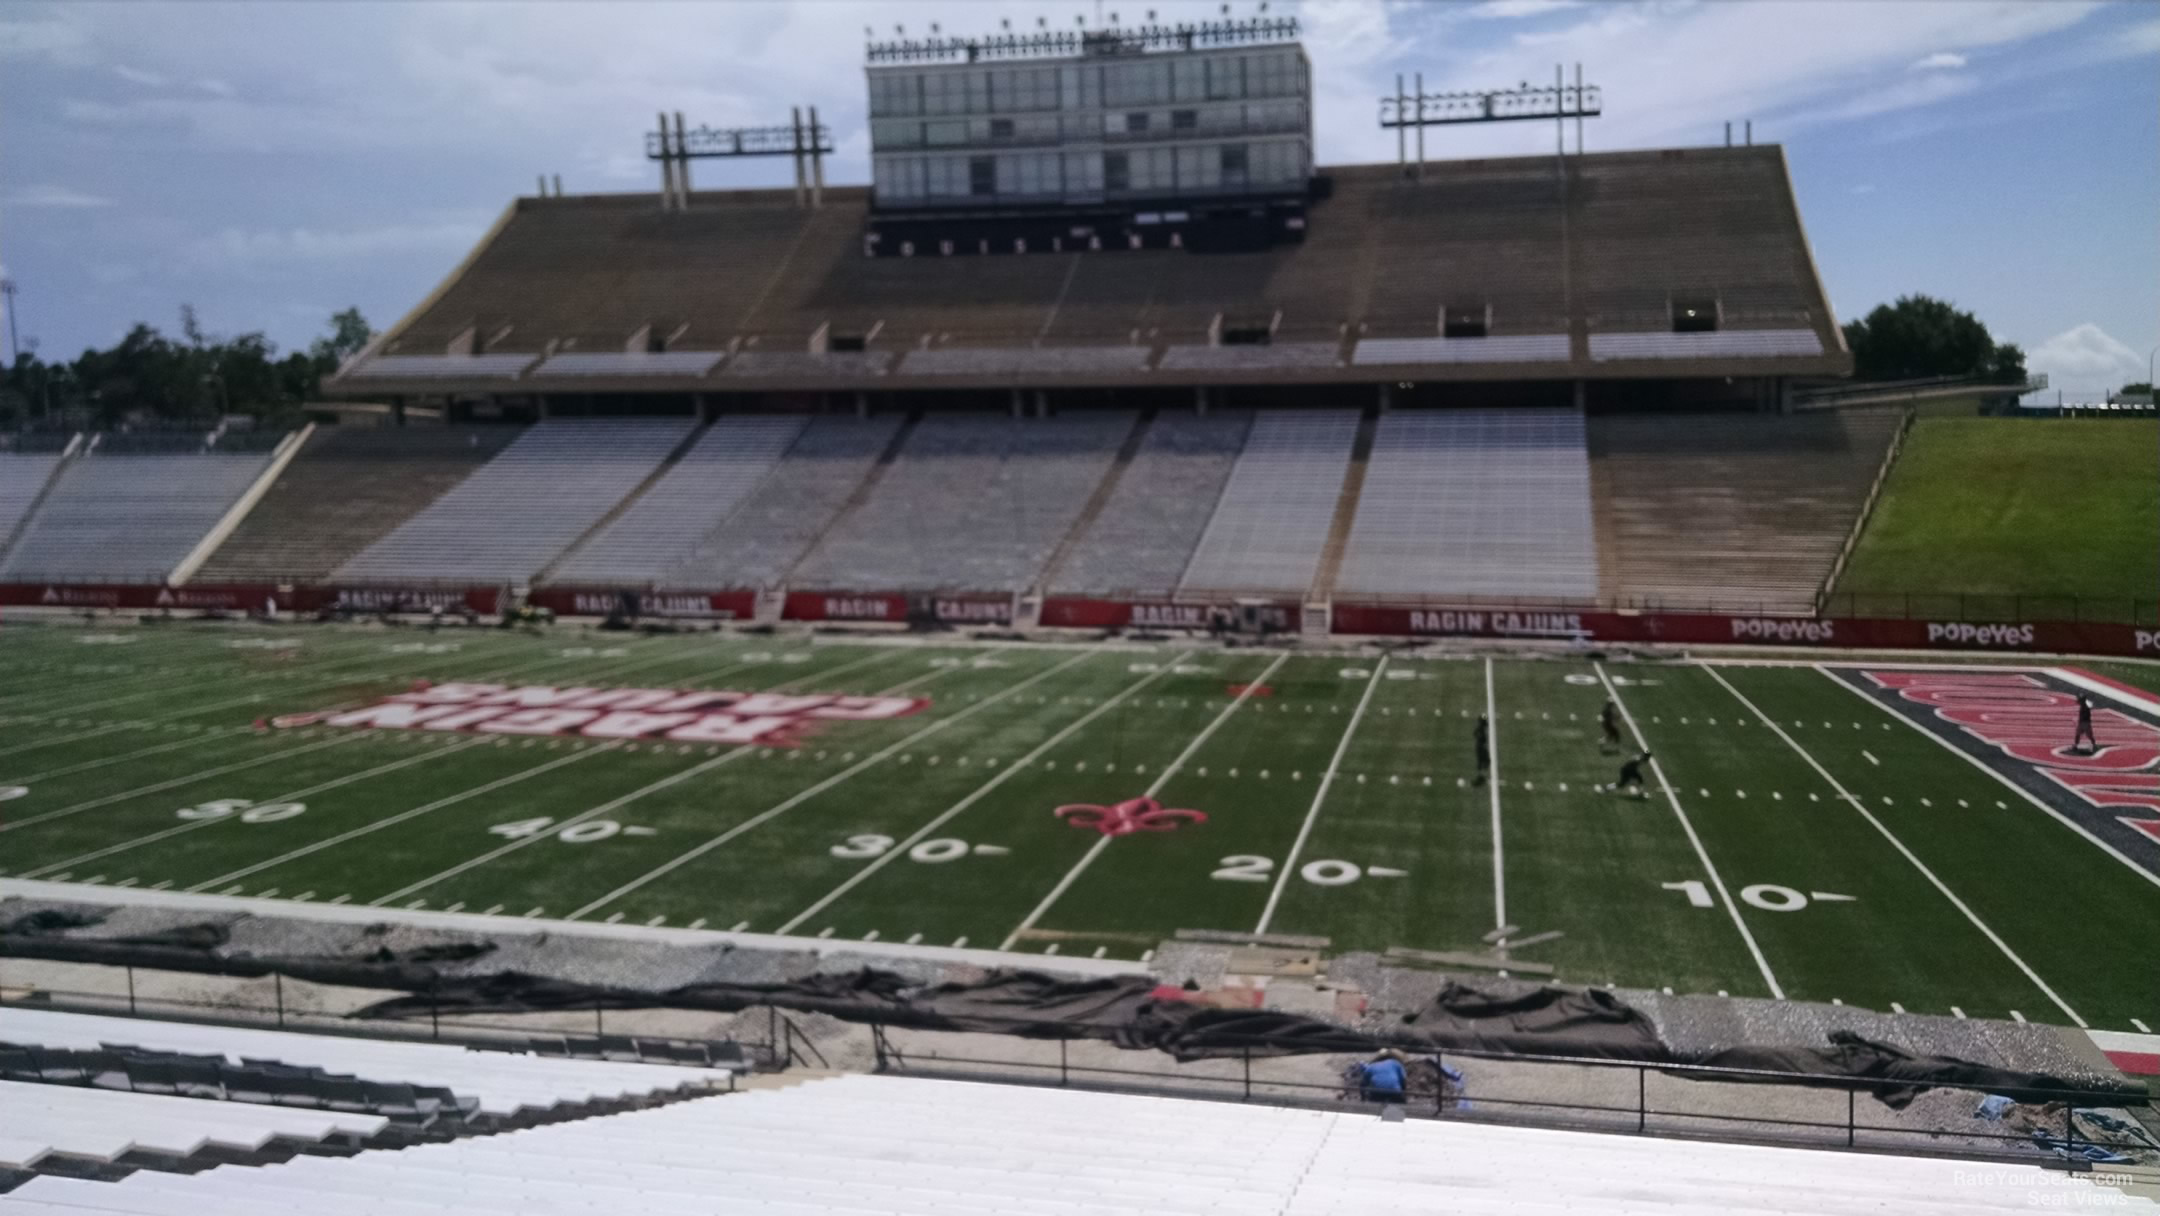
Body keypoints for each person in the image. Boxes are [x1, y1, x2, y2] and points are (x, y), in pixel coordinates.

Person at [1473, 714, 1491, 786]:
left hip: (1479, 747)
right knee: (1486, 761)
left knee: (1482, 762)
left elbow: (1474, 733)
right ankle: (1481, 777)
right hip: (1481, 747)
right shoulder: (1481, 728)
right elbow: (1476, 734)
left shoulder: (1480, 728)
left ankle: (1480, 776)